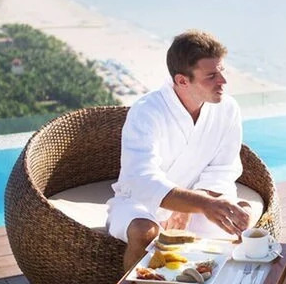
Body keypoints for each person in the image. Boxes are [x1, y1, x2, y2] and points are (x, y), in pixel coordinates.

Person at [107, 30, 253, 270]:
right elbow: (141, 179)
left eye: (222, 71)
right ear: (182, 81)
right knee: (145, 231)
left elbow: (223, 168)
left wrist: (193, 205)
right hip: (145, 201)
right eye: (211, 76)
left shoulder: (228, 108)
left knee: (241, 221)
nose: (223, 82)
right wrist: (196, 204)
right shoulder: (146, 111)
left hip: (202, 195)